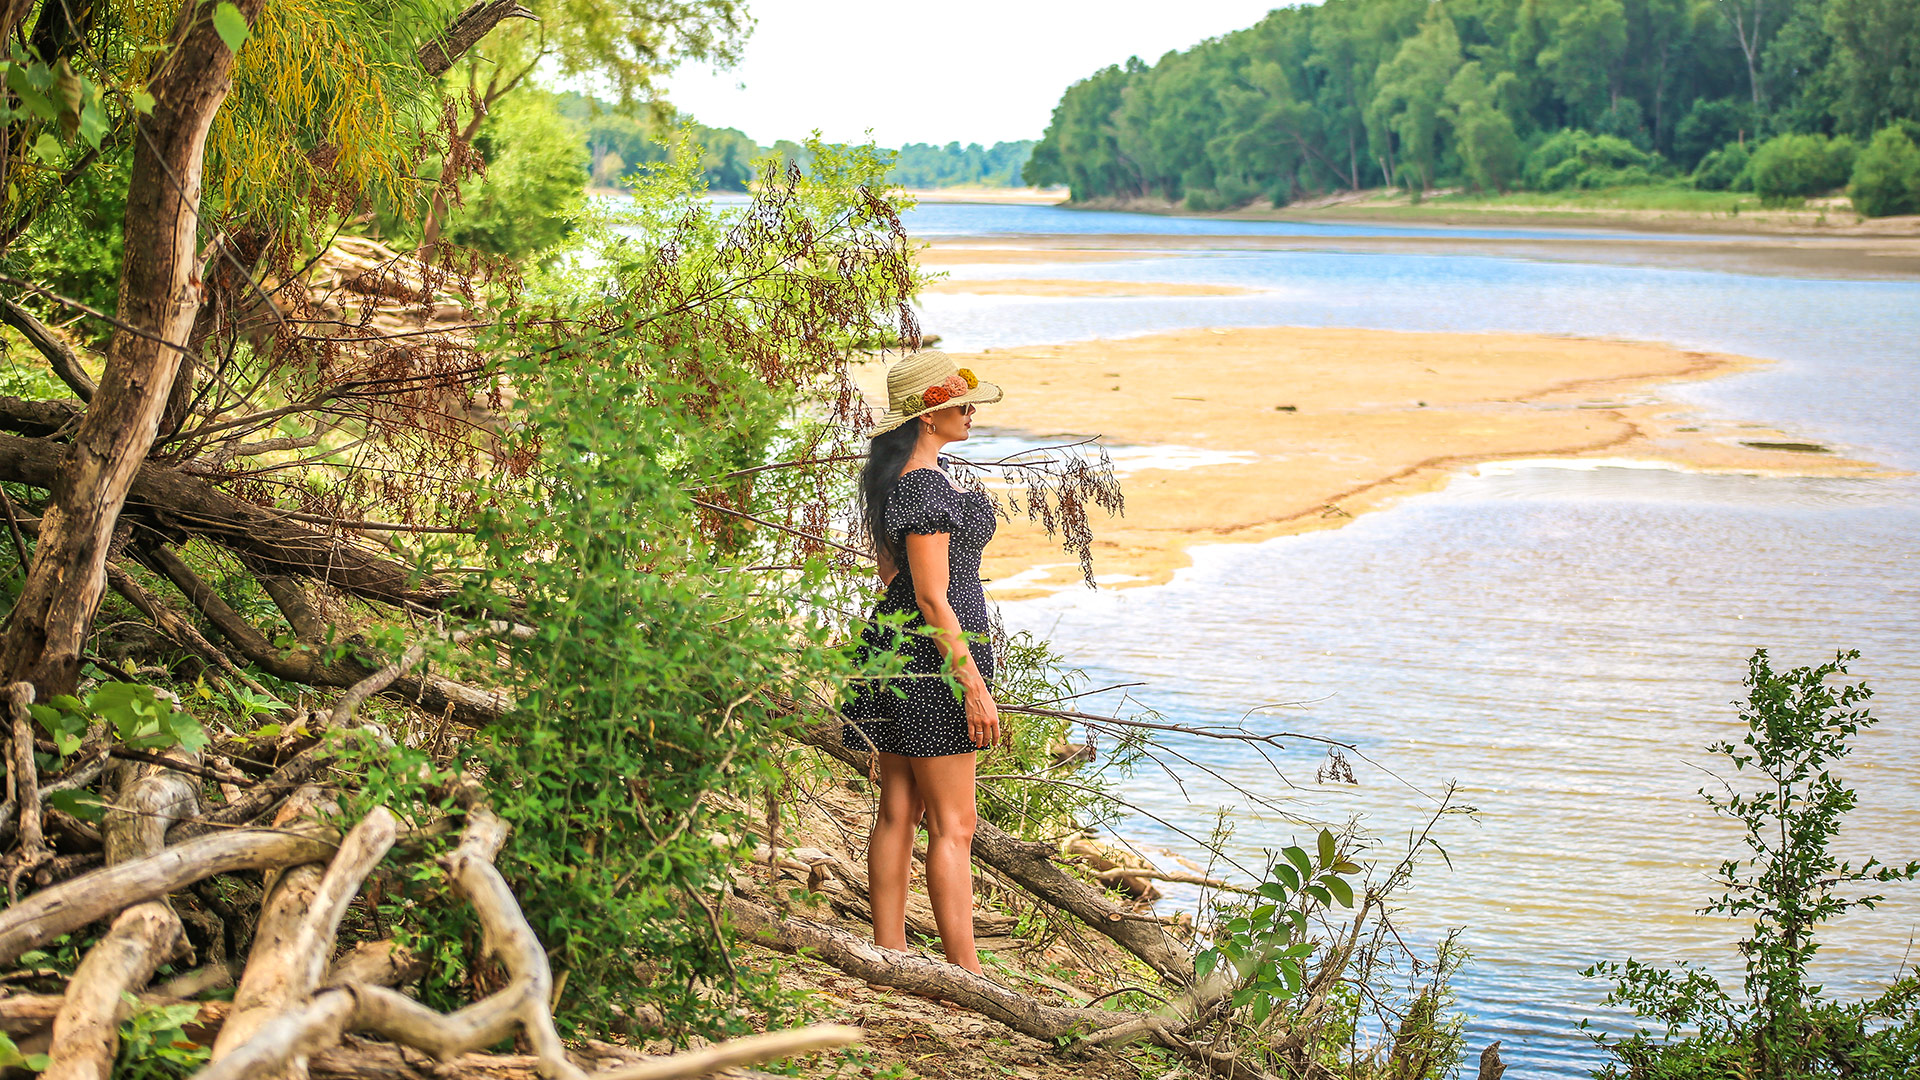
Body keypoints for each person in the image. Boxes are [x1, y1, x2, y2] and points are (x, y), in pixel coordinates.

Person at [843, 349, 1005, 975]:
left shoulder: (896, 485)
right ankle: (965, 973)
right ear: (928, 418)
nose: (970, 413)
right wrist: (971, 682)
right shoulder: (926, 487)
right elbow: (934, 596)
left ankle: (889, 953)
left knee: (897, 811)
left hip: (895, 651)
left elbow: (893, 580)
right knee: (954, 824)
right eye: (959, 405)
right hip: (937, 661)